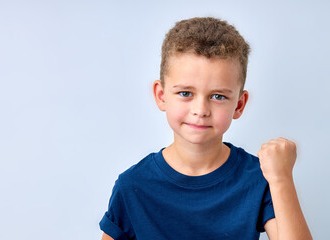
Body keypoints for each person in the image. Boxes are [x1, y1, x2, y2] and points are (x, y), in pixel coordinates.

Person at [99, 17, 312, 240]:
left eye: (218, 96)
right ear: (161, 96)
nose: (200, 110)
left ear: (238, 105)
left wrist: (282, 178)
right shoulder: (133, 185)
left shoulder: (260, 177)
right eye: (185, 93)